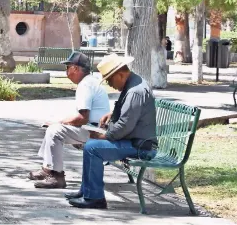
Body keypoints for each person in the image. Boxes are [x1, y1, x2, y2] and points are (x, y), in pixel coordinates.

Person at [67, 53, 157, 209]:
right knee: (91, 145)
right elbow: (128, 114)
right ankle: (87, 191)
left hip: (140, 146)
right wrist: (112, 115)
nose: (110, 84)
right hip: (135, 140)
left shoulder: (135, 91)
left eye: (109, 79)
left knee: (93, 147)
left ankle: (95, 199)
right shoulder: (132, 84)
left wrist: (105, 135)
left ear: (120, 74)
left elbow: (125, 126)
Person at [28, 52, 110, 189]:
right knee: (53, 127)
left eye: (68, 67)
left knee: (55, 131)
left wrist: (59, 123)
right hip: (95, 129)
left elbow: (82, 118)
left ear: (76, 69)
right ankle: (47, 169)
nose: (66, 71)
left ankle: (56, 176)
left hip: (95, 133)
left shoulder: (85, 85)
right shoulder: (89, 82)